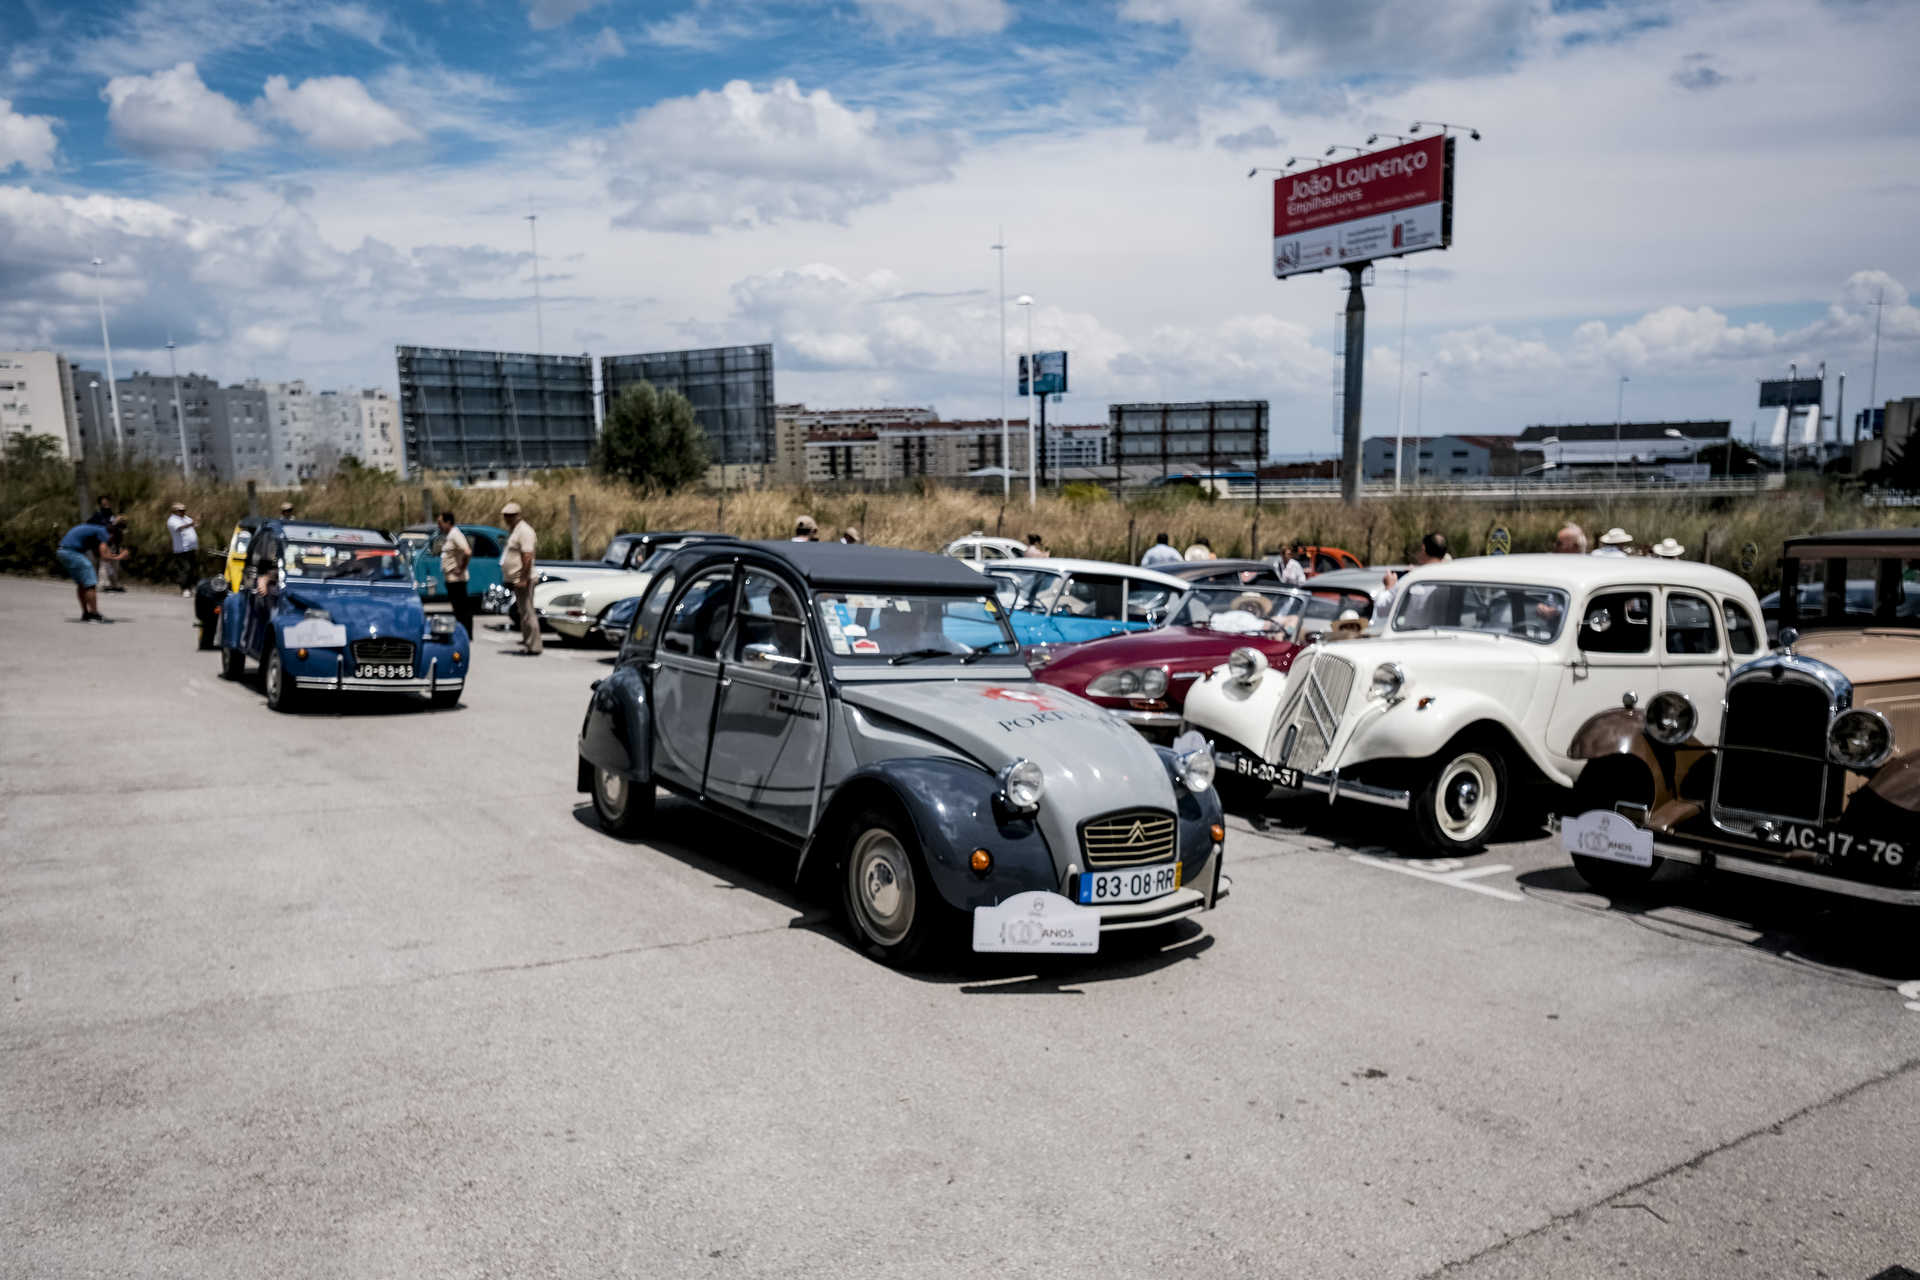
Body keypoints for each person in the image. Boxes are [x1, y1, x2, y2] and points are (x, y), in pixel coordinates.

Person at [57, 516, 125, 621]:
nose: (110, 541)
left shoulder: (95, 531)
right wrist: (120, 556)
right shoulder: (103, 532)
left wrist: (110, 555)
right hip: (72, 551)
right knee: (90, 583)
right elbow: (104, 556)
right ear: (112, 533)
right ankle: (94, 613)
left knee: (83, 584)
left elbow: (97, 554)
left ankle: (86, 614)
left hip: (63, 551)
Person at [500, 501, 541, 654]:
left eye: (510, 516)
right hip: (517, 578)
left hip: (524, 578)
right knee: (523, 612)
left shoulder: (524, 531)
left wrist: (523, 578)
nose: (507, 519)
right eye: (506, 516)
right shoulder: (515, 530)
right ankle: (528, 643)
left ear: (518, 515)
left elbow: (527, 556)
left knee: (528, 612)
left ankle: (534, 646)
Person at [438, 511, 475, 636]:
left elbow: (467, 552)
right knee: (458, 608)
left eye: (441, 523)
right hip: (451, 578)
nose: (439, 526)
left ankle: (466, 633)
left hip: (457, 578)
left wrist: (461, 568)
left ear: (448, 522)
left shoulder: (455, 534)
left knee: (462, 608)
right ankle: (462, 632)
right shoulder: (449, 536)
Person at [167, 502, 200, 595]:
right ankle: (184, 588)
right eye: (181, 510)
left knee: (192, 569)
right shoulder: (172, 520)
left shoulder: (186, 518)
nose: (183, 512)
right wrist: (191, 524)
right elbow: (179, 528)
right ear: (175, 511)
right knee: (185, 569)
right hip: (181, 549)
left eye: (184, 510)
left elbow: (193, 525)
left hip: (191, 548)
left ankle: (191, 587)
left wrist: (196, 522)